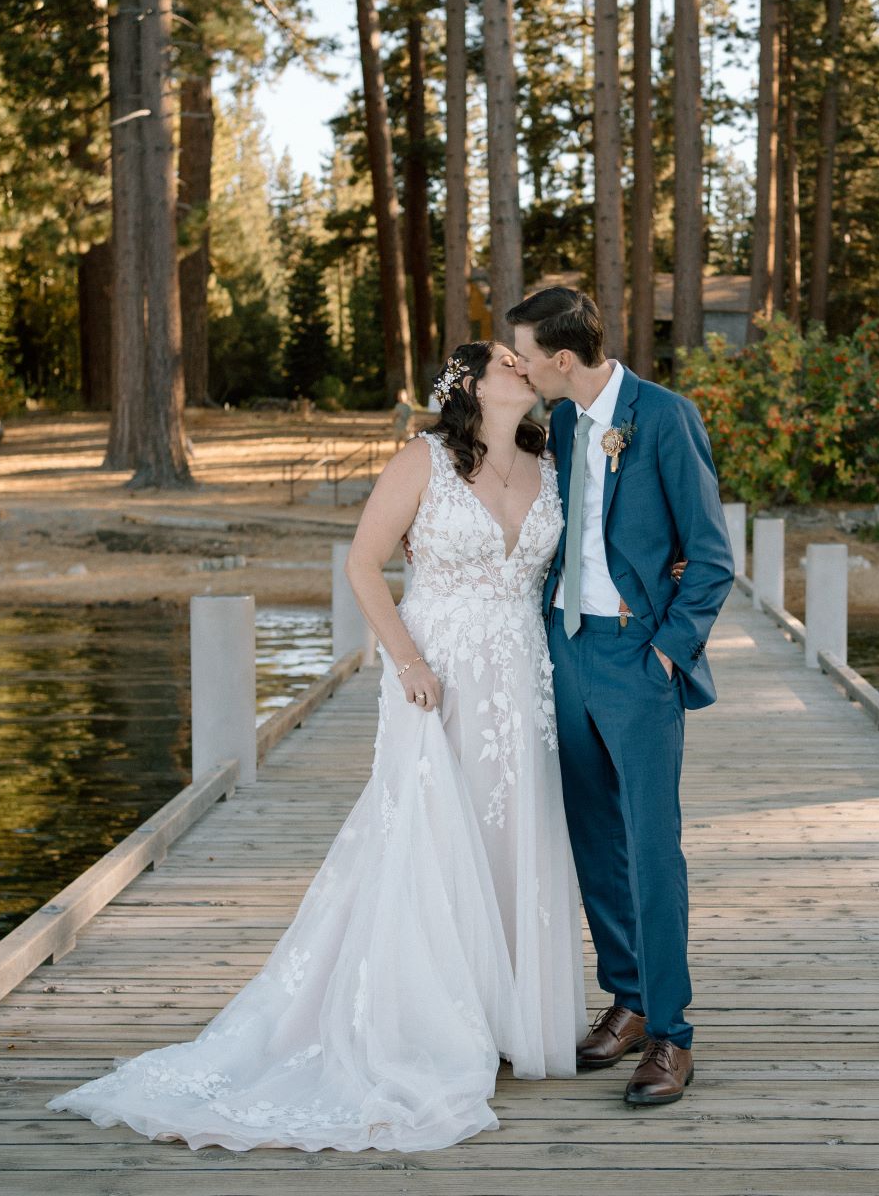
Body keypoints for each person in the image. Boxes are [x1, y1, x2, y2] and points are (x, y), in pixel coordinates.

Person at [45, 341, 584, 1150]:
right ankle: (424, 1025)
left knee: (512, 833)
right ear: (470, 384)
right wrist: (406, 660)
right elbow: (365, 566)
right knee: (430, 840)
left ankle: (507, 1014)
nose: (522, 365)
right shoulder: (425, 460)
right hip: (433, 672)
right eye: (506, 359)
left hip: (522, 677)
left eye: (523, 358)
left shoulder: (550, 465)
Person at [507, 287, 733, 1106]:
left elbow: (710, 556)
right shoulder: (563, 423)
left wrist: (668, 655)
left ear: (562, 358)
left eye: (528, 354)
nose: (523, 366)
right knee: (594, 838)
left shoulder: (665, 418)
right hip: (567, 650)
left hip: (640, 660)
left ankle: (673, 1033)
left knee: (651, 843)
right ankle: (629, 1000)